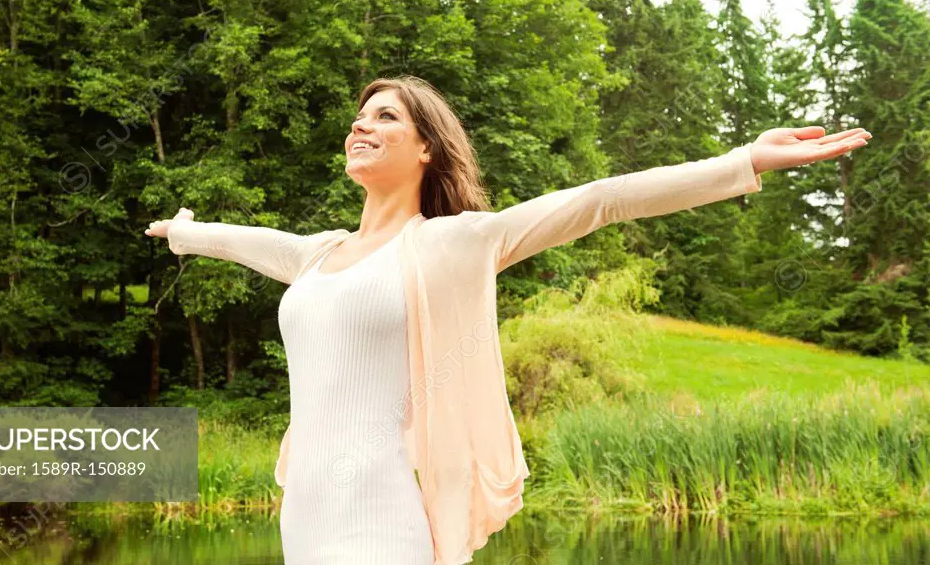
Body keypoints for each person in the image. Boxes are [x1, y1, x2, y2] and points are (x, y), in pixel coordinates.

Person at [145, 75, 871, 565]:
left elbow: (602, 199)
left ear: (425, 146)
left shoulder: (451, 243)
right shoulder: (318, 255)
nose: (361, 126)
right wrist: (185, 232)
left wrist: (744, 160)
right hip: (303, 515)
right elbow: (239, 242)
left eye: (385, 117)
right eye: (359, 117)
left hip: (380, 516)